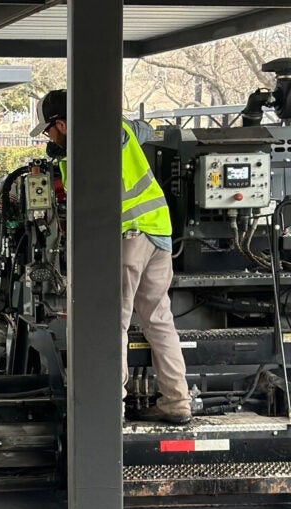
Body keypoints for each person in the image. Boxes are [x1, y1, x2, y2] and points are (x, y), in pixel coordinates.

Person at [31, 89, 192, 424]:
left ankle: (110, 408)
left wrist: (65, 154)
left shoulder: (89, 141)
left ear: (61, 123)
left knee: (112, 322)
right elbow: (143, 129)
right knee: (159, 321)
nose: (49, 139)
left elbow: (84, 194)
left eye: (49, 131)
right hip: (159, 231)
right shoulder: (119, 126)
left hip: (129, 237)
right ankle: (177, 401)